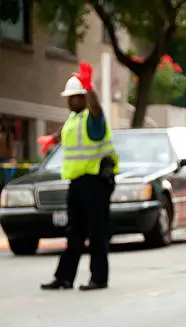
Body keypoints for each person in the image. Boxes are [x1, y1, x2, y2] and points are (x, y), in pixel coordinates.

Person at [41, 61, 119, 291]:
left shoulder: (93, 118)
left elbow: (97, 111)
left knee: (97, 232)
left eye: (74, 96)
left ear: (84, 97)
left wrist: (90, 88)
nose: (69, 100)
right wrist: (51, 140)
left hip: (96, 181)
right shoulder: (74, 119)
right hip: (77, 182)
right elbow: (66, 133)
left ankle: (99, 278)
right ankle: (64, 277)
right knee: (74, 232)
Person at [0, 115, 16, 188]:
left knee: (6, 178)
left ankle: (5, 193)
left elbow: (11, 147)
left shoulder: (8, 134)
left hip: (6, 158)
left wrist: (12, 158)